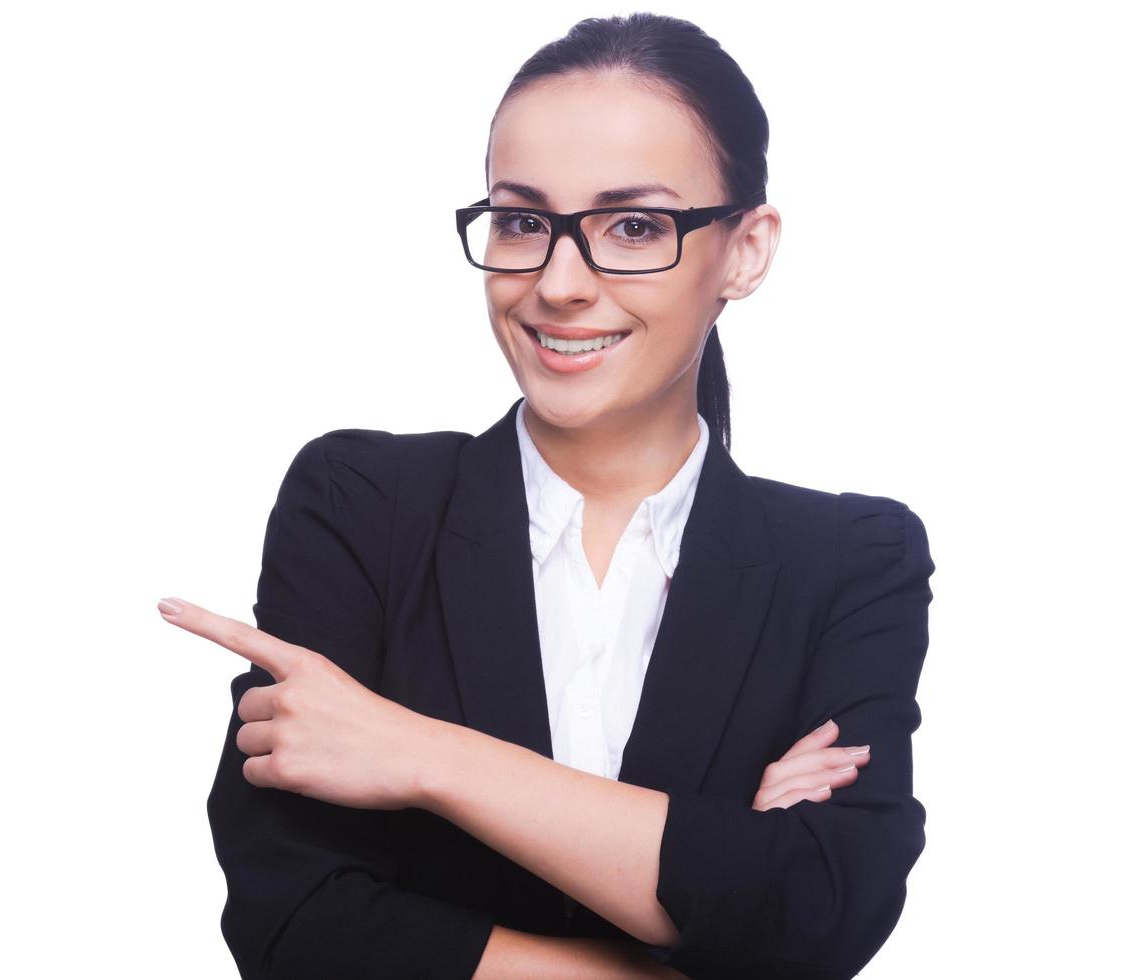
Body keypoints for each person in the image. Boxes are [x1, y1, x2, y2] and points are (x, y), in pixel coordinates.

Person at [164, 12, 935, 979]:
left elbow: (817, 914)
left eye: (633, 226)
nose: (558, 284)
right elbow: (298, 927)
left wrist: (422, 758)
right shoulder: (361, 504)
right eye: (524, 220)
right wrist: (706, 905)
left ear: (744, 250)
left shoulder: (850, 555)